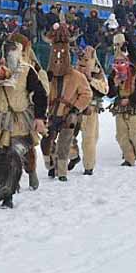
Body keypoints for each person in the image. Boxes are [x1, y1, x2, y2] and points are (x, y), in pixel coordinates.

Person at [0, 34, 47, 208]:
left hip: (18, 121)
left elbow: (41, 95)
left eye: (8, 55)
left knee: (14, 155)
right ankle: (2, 181)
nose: (3, 60)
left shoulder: (26, 71)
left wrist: (40, 118)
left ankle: (8, 192)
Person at [40, 24, 91, 181]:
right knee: (46, 142)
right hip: (51, 114)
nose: (59, 58)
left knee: (64, 143)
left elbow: (86, 94)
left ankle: (62, 172)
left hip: (69, 114)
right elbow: (40, 92)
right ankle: (51, 165)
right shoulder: (47, 76)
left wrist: (76, 109)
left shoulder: (77, 76)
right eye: (55, 53)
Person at [74, 46, 108, 175]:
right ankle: (72, 156)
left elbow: (104, 89)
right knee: (68, 136)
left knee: (90, 138)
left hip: (91, 110)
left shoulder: (98, 73)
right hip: (74, 108)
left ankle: (88, 166)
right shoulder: (74, 72)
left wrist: (90, 79)